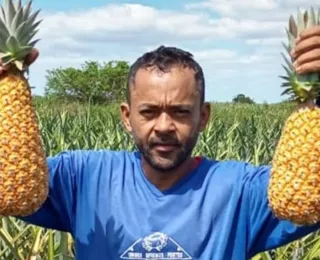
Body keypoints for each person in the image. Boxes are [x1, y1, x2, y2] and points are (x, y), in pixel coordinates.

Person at [3, 26, 320, 260]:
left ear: (203, 116)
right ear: (127, 117)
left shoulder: (242, 191)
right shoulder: (81, 177)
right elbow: (10, 183)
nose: (164, 126)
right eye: (149, 112)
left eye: (181, 112)